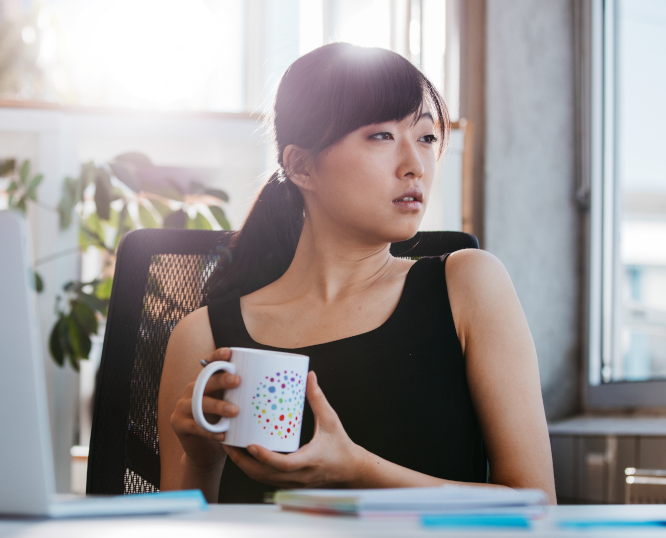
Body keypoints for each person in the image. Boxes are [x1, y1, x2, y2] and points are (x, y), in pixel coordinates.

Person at [157, 43, 556, 504]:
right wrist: (202, 462)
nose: (415, 166)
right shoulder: (204, 337)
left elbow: (537, 505)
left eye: (426, 137)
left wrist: (356, 472)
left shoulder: (468, 285)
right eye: (381, 136)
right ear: (301, 165)